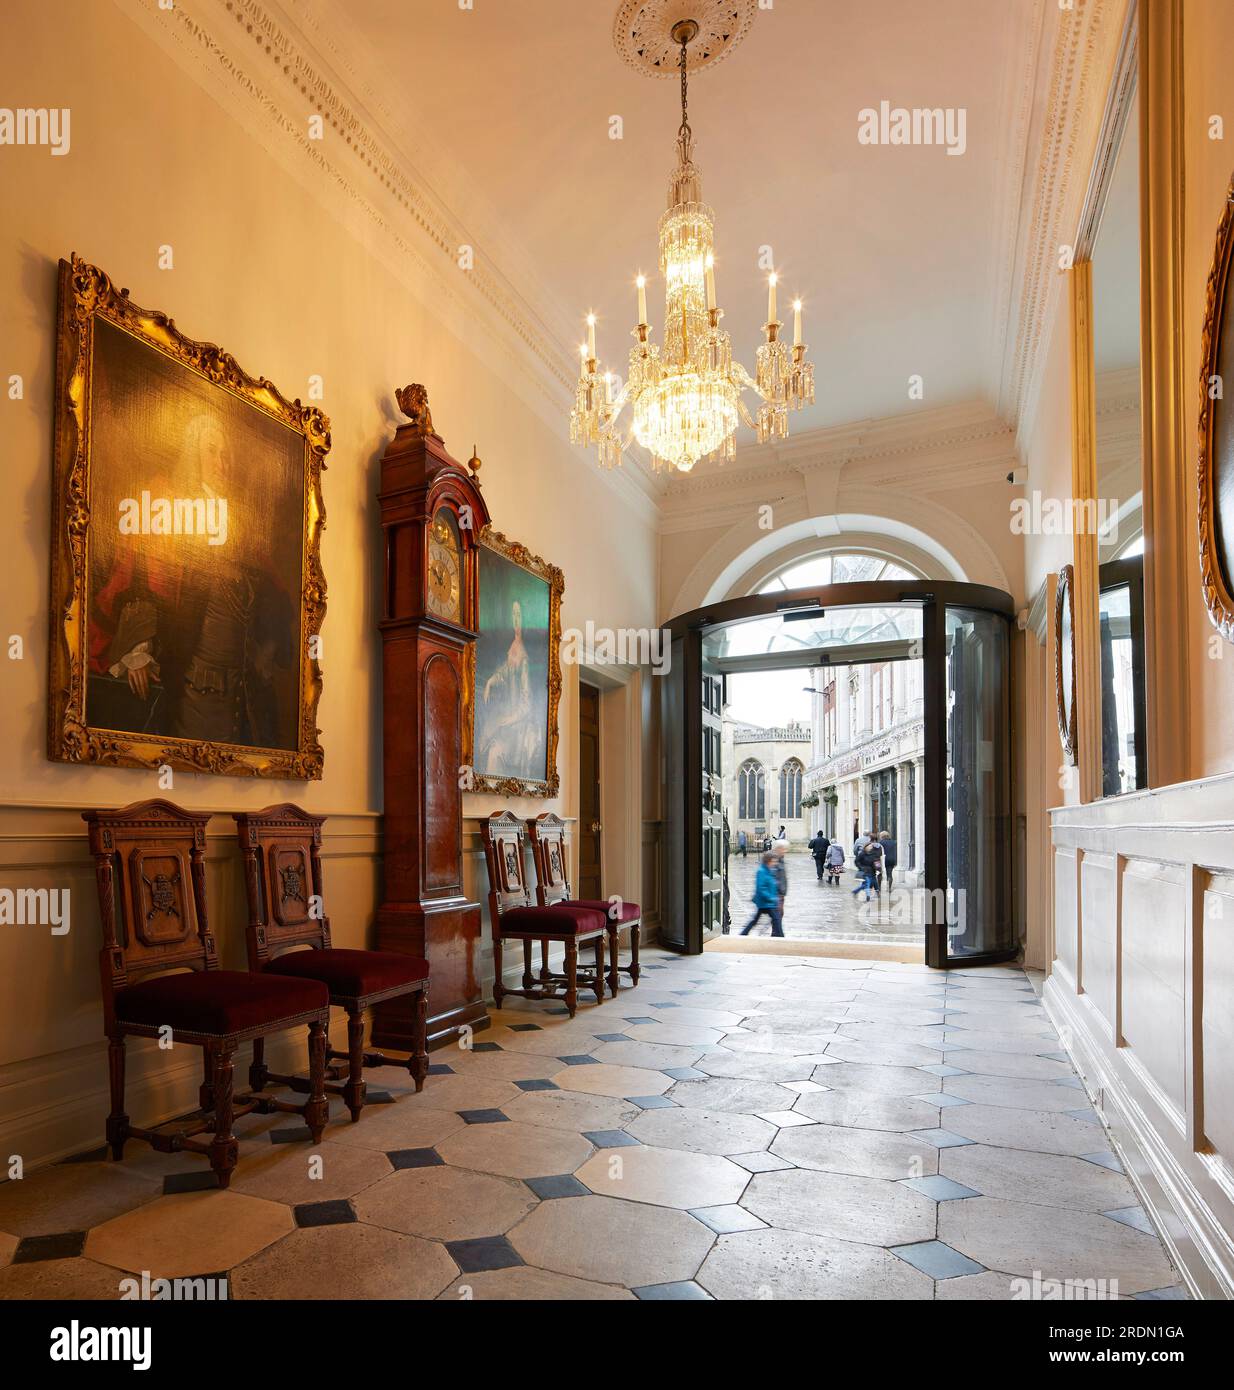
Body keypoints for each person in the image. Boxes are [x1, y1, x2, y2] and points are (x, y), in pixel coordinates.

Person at [740, 851, 784, 937]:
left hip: (767, 902)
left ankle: (743, 934)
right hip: (766, 902)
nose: (775, 863)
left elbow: (771, 884)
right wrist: (771, 898)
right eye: (773, 861)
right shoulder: (761, 871)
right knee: (776, 919)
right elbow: (761, 888)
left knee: (755, 920)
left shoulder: (769, 870)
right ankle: (781, 936)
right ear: (768, 860)